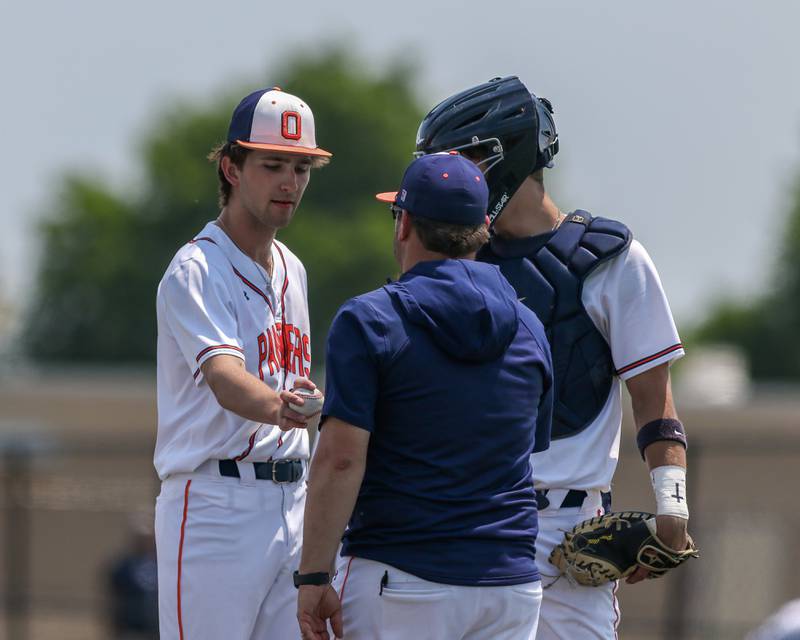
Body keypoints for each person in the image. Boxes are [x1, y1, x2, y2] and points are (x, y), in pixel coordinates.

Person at [415, 76, 692, 639]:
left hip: (570, 534)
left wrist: (672, 506)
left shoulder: (611, 259)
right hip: (468, 517)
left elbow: (654, 397)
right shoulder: (450, 257)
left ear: (505, 156)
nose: (452, 177)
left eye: (463, 159)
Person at [294, 152, 554, 640]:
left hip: (403, 574)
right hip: (510, 584)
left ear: (405, 223)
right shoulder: (530, 326)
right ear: (483, 227)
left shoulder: (370, 320)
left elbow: (341, 460)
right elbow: (527, 452)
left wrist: (313, 576)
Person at [154, 87, 331, 639]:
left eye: (302, 167)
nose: (290, 182)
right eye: (272, 164)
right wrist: (285, 408)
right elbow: (226, 380)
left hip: (293, 502)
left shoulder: (293, 268)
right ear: (231, 168)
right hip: (215, 506)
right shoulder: (197, 268)